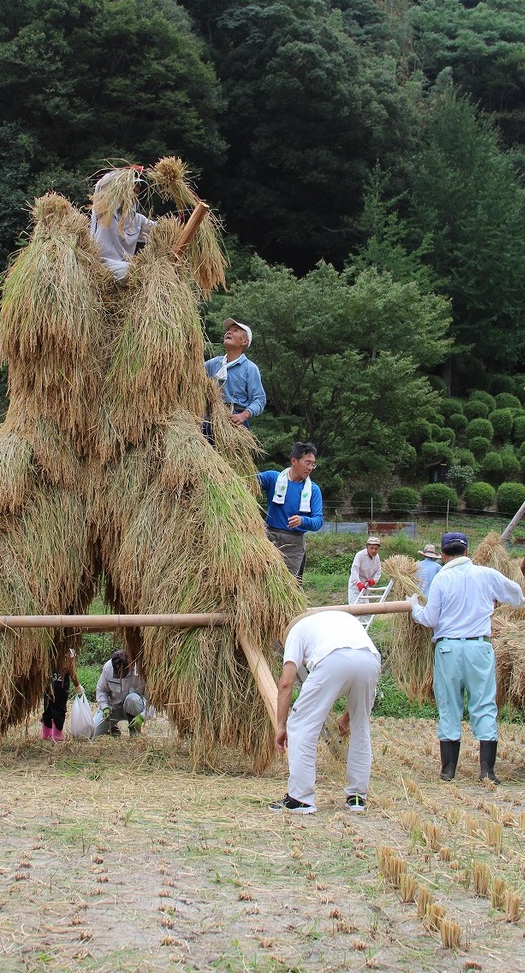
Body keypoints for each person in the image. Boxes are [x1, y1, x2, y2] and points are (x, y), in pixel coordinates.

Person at [410, 531, 524, 784]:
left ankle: (448, 770)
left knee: (449, 706)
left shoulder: (442, 577)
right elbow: (516, 596)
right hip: (478, 648)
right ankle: (487, 771)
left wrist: (414, 607)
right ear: (467, 551)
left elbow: (429, 619)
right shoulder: (485, 574)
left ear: (442, 554)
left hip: (448, 648)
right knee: (484, 705)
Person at [269, 609, 381, 814]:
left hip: (332, 659)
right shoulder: (342, 618)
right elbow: (355, 665)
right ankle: (357, 797)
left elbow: (286, 682)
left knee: (301, 725)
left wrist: (281, 726)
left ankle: (300, 799)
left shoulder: (295, 632)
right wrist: (347, 719)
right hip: (370, 659)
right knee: (361, 726)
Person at [257, 442, 323, 581]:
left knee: (288, 585)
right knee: (262, 581)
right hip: (269, 538)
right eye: (307, 463)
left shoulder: (313, 490)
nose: (310, 468)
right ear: (294, 460)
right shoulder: (273, 478)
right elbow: (250, 481)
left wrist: (303, 520)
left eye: (313, 464)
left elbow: (318, 521)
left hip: (295, 543)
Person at [90, 166, 155, 280]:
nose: (135, 195)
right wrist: (126, 171)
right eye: (132, 190)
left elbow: (160, 231)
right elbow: (102, 184)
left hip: (124, 267)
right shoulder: (105, 210)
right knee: (132, 271)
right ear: (120, 189)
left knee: (141, 270)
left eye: (137, 192)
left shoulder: (137, 220)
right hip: (100, 263)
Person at [204, 318, 266, 427]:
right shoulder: (213, 364)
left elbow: (259, 399)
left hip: (234, 420)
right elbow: (194, 376)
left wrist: (244, 415)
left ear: (244, 341)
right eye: (228, 330)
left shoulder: (250, 368)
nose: (229, 332)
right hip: (209, 417)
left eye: (235, 330)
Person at [94, 649, 147, 737]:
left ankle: (134, 731)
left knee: (132, 699)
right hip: (114, 709)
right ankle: (112, 727)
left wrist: (142, 716)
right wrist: (105, 707)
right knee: (93, 731)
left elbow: (152, 701)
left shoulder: (141, 671)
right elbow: (101, 690)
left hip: (134, 709)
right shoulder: (108, 667)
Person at [41, 654, 72, 742]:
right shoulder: (69, 651)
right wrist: (77, 685)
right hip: (61, 684)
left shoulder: (48, 648)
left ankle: (46, 734)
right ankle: (57, 735)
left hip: (49, 682)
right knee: (59, 708)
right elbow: (71, 669)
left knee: (48, 706)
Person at [348, 537, 382, 604]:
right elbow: (354, 570)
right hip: (355, 587)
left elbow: (378, 571)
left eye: (376, 549)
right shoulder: (360, 555)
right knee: (355, 608)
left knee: (366, 609)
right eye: (371, 548)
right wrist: (358, 582)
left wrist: (374, 580)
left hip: (366, 587)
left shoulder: (377, 557)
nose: (373, 551)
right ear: (367, 547)